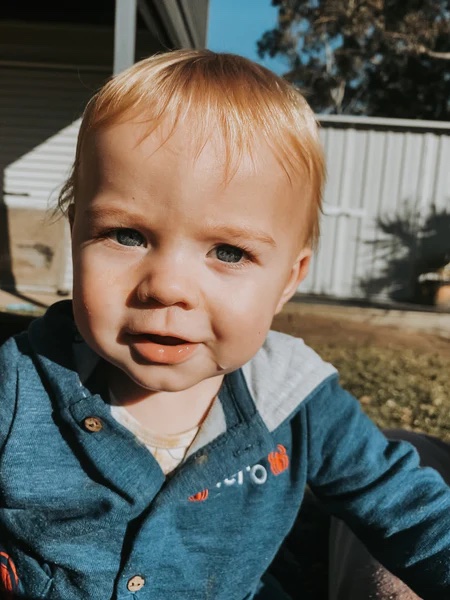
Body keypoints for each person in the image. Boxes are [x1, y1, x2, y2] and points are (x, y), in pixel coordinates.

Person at [0, 49, 449, 600]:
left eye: (230, 252)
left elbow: (409, 509)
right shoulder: (20, 385)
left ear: (289, 278)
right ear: (75, 235)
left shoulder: (291, 398)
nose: (166, 286)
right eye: (126, 235)